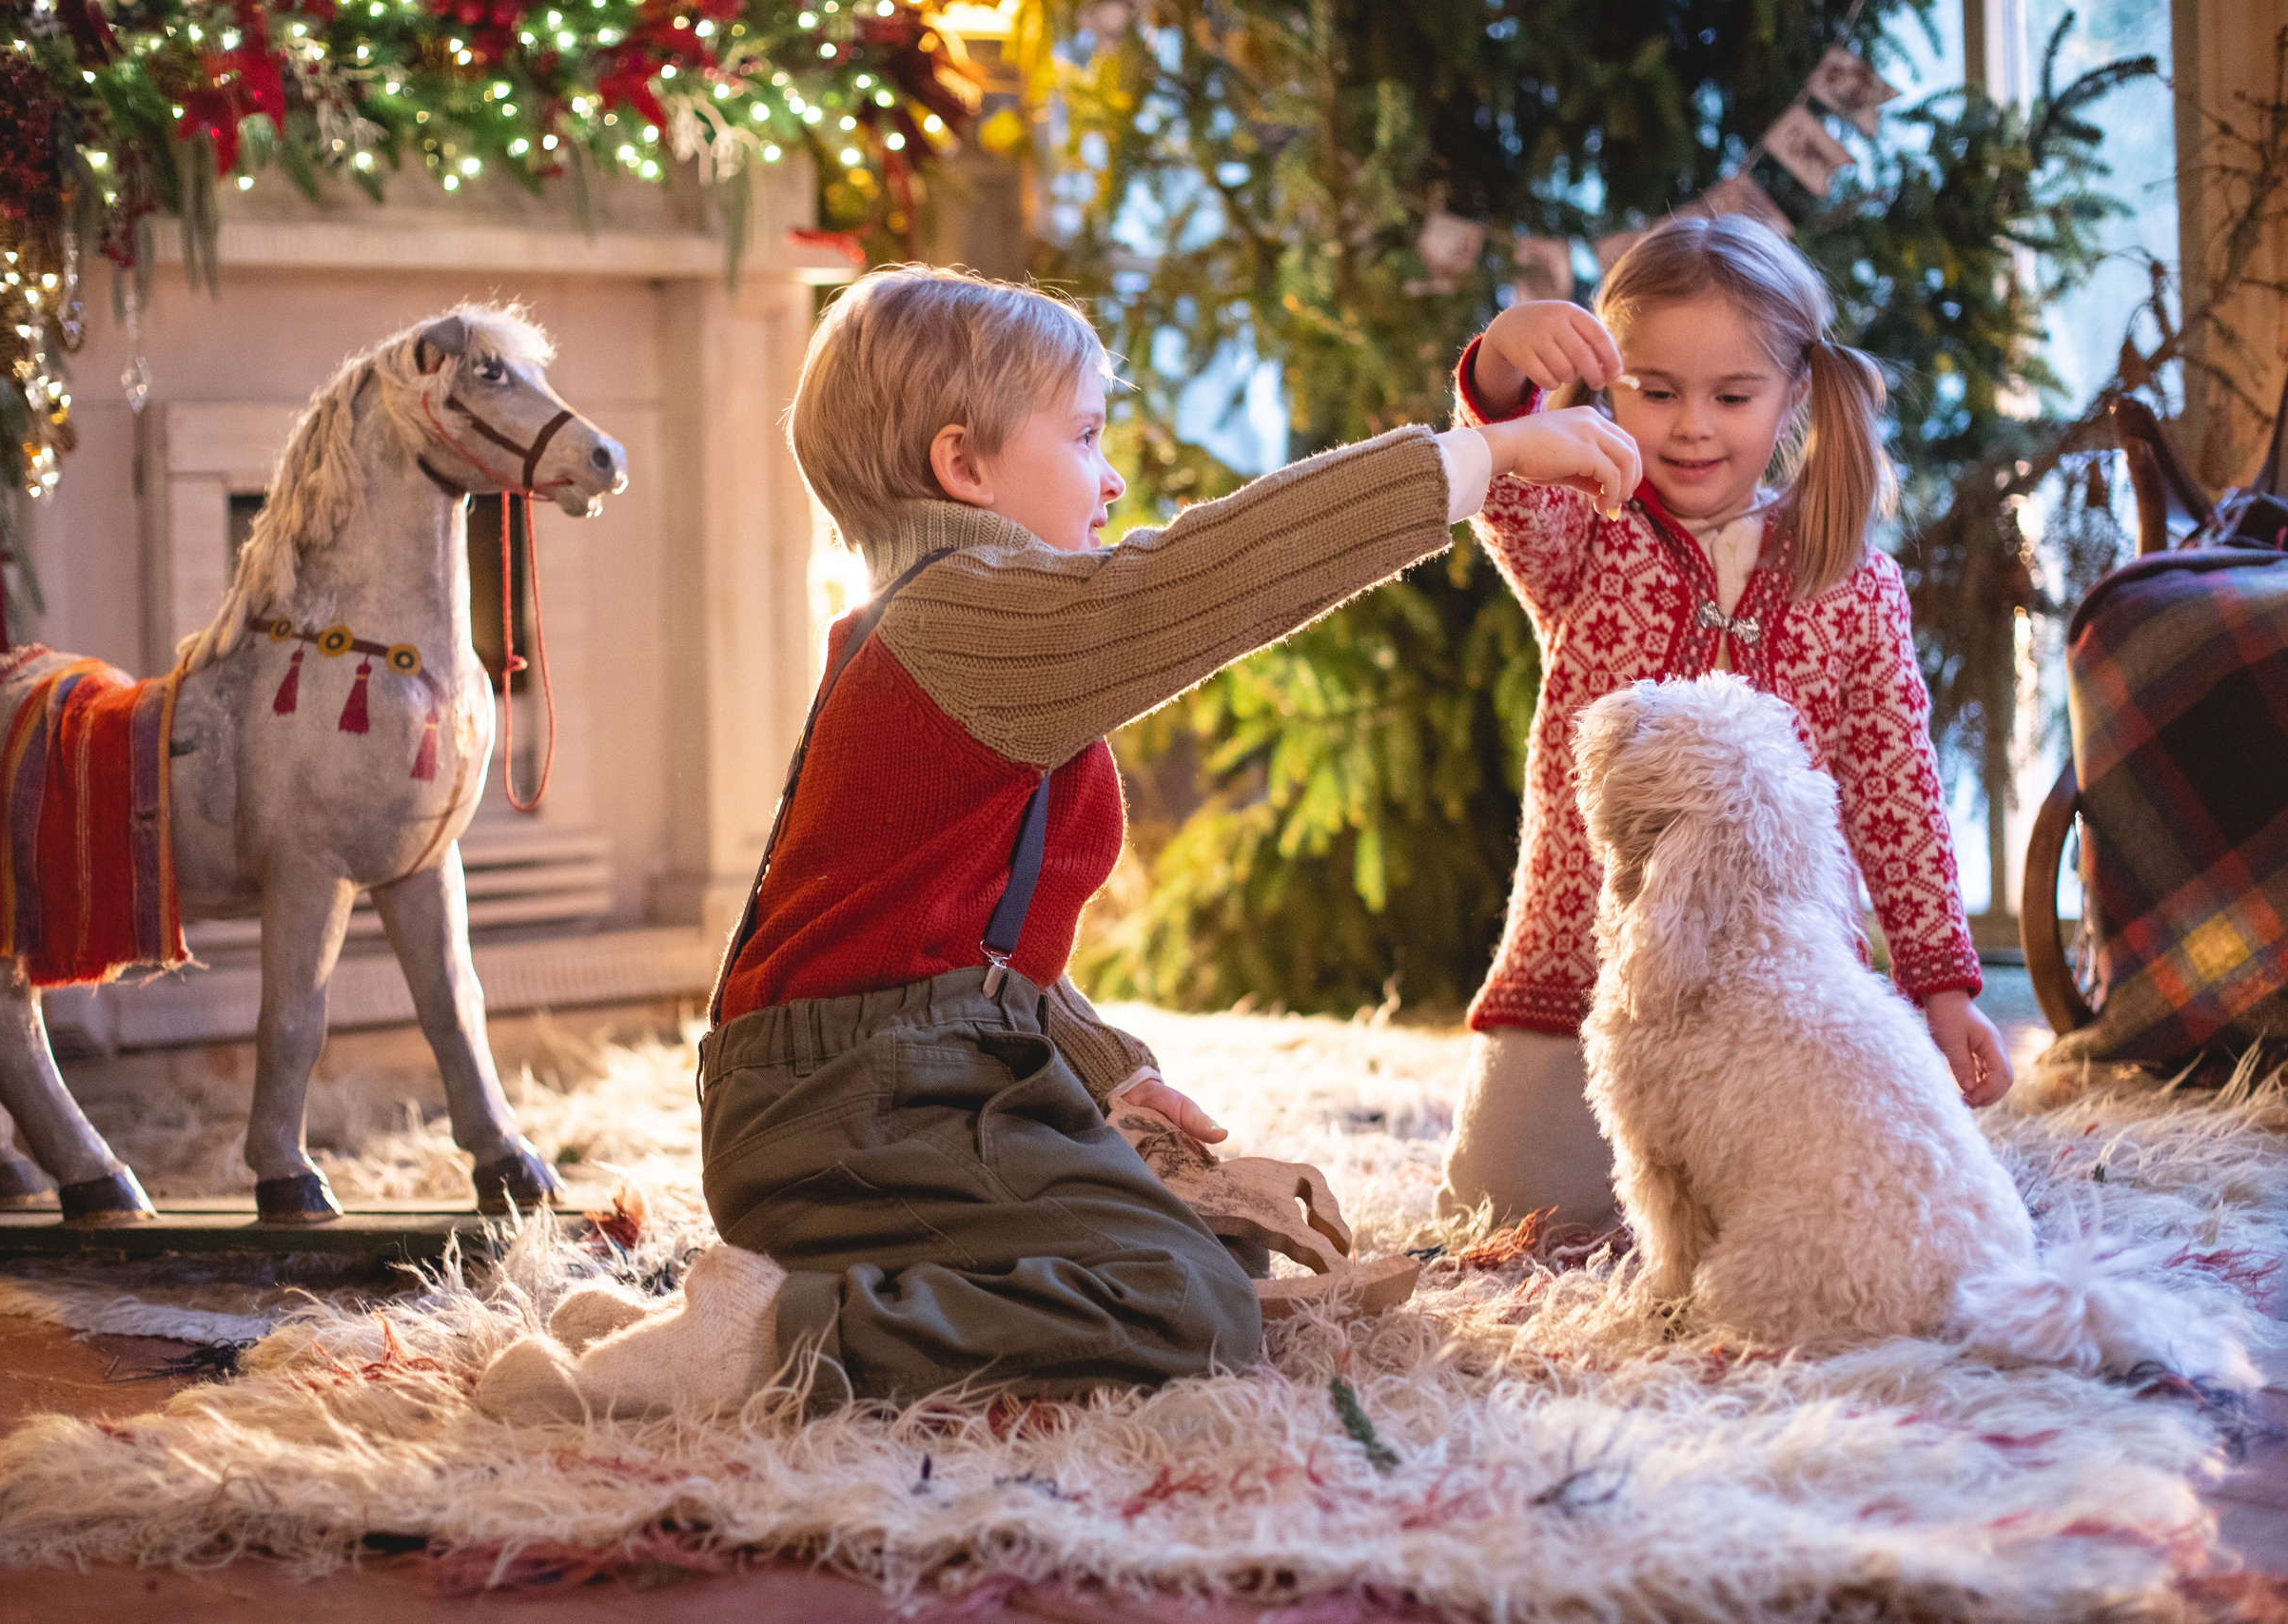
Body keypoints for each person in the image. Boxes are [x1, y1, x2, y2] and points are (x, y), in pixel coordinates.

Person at [478, 264, 1639, 1420]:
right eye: (1085, 436)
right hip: (851, 1105)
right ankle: (779, 1339)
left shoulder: (952, 624)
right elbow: (1201, 578)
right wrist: (1476, 460)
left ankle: (725, 1312)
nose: (1113, 472)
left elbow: (956, 944)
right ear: (962, 466)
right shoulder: (966, 614)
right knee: (1183, 1306)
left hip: (878, 1077)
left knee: (1201, 1245)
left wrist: (1107, 1068)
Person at [1438, 212, 2012, 1233]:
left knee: (1818, 1215)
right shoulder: (1586, 538)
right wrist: (1497, 375)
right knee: (1512, 1215)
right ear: (1611, 387)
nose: (1691, 426)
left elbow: (1896, 792)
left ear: (1792, 395)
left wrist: (1940, 984)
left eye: (1731, 396)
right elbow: (1504, 482)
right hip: (1581, 972)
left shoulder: (1852, 582)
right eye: (1655, 392)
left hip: (1786, 986)